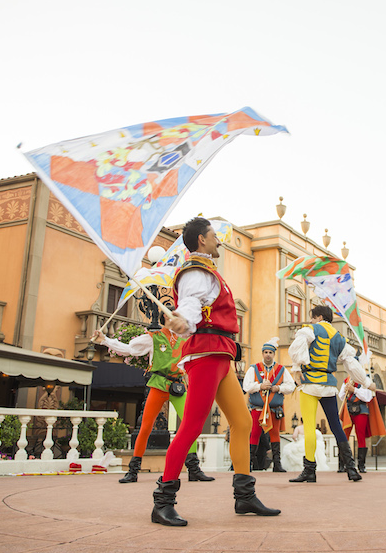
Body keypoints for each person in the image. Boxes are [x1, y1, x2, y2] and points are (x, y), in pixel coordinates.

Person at [152, 217, 280, 526]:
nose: (219, 240)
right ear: (201, 241)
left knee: (240, 421)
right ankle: (162, 502)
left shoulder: (208, 271)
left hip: (221, 356)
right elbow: (192, 305)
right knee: (193, 426)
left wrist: (186, 318)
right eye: (214, 236)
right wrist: (183, 320)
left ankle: (245, 496)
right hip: (206, 355)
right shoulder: (196, 272)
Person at [92, 322, 213, 484]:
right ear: (165, 320)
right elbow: (129, 349)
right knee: (145, 426)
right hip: (158, 384)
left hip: (177, 386)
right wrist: (104, 340)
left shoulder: (185, 340)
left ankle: (193, 469)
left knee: (190, 425)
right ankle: (133, 470)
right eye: (171, 318)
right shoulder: (153, 338)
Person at [287, 304, 372, 483]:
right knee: (336, 426)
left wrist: (297, 366)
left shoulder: (311, 329)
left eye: (312, 317)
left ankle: (309, 470)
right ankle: (351, 469)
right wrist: (366, 382)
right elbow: (351, 364)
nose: (310, 320)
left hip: (309, 383)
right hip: (328, 385)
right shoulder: (339, 337)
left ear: (318, 317)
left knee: (309, 427)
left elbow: (296, 348)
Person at [243, 337, 296, 472]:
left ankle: (277, 464)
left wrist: (278, 388)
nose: (268, 355)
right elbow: (246, 386)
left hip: (274, 409)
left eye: (270, 352)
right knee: (254, 433)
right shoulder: (253, 369)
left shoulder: (281, 370)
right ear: (262, 353)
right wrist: (260, 386)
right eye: (265, 352)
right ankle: (249, 463)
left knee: (275, 434)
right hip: (257, 408)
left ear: (274, 354)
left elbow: (290, 386)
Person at [338, 369, 386, 473]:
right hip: (349, 409)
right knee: (344, 435)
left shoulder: (366, 380)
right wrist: (346, 389)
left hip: (361, 409)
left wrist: (354, 390)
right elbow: (341, 396)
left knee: (361, 436)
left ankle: (361, 465)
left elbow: (367, 397)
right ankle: (342, 464)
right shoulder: (346, 380)